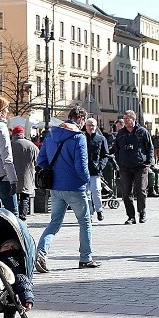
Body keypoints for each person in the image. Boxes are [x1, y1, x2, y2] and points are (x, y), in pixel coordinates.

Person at [34, 106, 100, 272]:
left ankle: (41, 252)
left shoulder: (50, 135)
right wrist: (86, 182)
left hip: (56, 187)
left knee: (54, 222)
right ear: (80, 119)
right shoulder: (78, 137)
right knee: (85, 221)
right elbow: (81, 166)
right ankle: (86, 258)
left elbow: (41, 160)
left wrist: (56, 170)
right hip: (75, 187)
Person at [113, 110, 153, 224]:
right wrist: (119, 160)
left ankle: (142, 212)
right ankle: (131, 216)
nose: (125, 121)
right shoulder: (121, 133)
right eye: (124, 119)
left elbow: (149, 147)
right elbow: (117, 149)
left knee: (141, 190)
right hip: (125, 166)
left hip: (140, 165)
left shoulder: (142, 132)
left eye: (127, 119)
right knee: (126, 192)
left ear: (133, 119)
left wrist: (148, 162)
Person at [83, 116, 109, 222]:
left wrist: (101, 166)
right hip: (83, 170)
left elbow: (105, 155)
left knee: (96, 191)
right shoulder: (82, 138)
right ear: (85, 126)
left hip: (95, 170)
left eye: (93, 125)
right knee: (86, 193)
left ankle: (99, 210)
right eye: (89, 125)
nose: (91, 127)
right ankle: (89, 213)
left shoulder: (101, 139)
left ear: (96, 126)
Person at [10, 125, 38, 220]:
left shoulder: (9, 145)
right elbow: (38, 161)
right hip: (27, 176)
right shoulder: (32, 145)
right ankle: (22, 217)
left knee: (12, 198)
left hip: (11, 176)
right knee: (24, 198)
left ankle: (13, 217)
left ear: (13, 134)